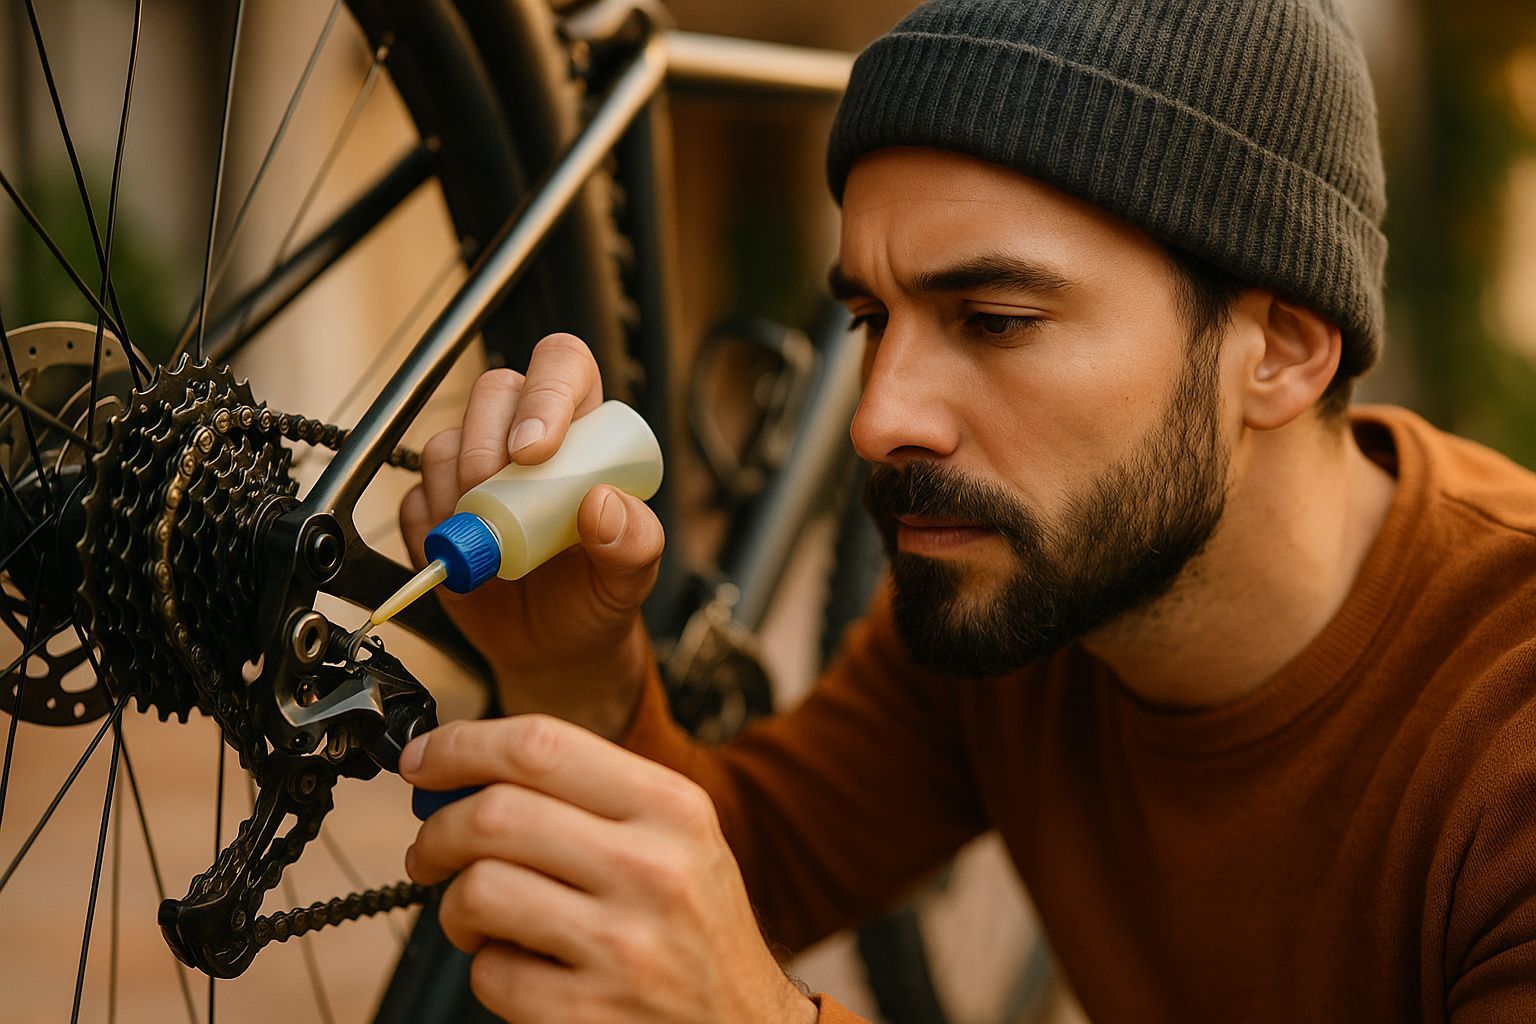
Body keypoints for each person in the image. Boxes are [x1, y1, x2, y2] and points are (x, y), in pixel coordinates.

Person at [392, 1, 1536, 1020]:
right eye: (869, 320)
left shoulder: (1504, 737)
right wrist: (577, 672)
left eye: (993, 319)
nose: (880, 418)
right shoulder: (1029, 600)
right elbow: (746, 871)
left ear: (1281, 348)